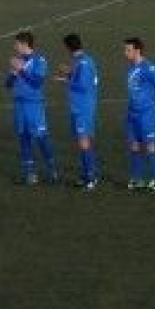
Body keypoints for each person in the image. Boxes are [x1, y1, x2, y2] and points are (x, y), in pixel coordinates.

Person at [5, 31, 56, 186]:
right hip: (19, 104)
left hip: (33, 105)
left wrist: (20, 70)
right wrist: (13, 73)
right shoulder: (16, 60)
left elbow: (37, 83)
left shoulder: (39, 60)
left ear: (24, 44)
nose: (14, 47)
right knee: (23, 137)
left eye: (16, 44)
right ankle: (30, 174)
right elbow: (8, 84)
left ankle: (52, 170)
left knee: (41, 137)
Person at [124, 37, 155, 192]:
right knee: (134, 146)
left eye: (128, 50)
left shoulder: (148, 68)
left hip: (146, 113)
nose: (125, 53)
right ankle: (136, 179)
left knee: (150, 145)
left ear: (137, 51)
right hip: (132, 113)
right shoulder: (131, 67)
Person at [56, 33, 99, 191]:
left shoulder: (84, 62)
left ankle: (91, 178)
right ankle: (85, 175)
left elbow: (83, 85)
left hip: (83, 108)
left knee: (84, 141)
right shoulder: (81, 61)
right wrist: (69, 72)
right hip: (79, 107)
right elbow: (80, 78)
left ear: (68, 47)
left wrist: (65, 79)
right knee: (82, 142)